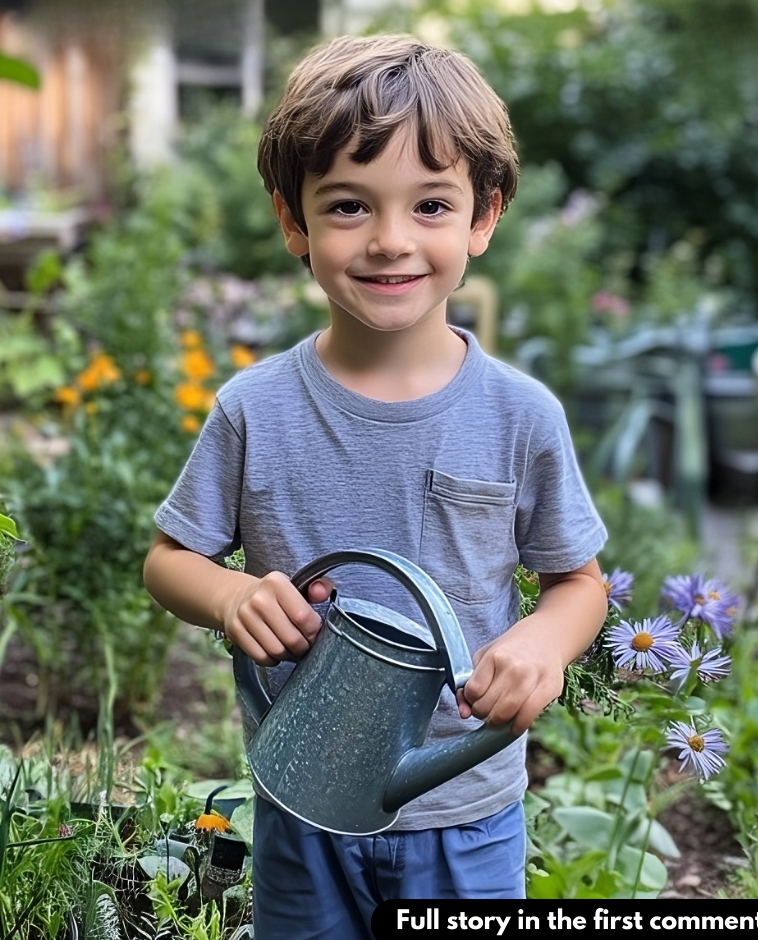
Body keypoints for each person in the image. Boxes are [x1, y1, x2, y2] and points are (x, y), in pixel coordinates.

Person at [143, 33, 608, 934]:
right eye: (349, 205)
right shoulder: (255, 409)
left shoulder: (521, 416)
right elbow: (170, 561)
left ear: (484, 217)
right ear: (293, 221)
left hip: (465, 807)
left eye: (431, 205)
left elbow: (578, 585)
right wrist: (233, 594)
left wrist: (546, 645)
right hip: (304, 797)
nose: (391, 241)